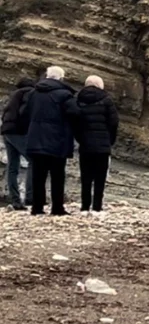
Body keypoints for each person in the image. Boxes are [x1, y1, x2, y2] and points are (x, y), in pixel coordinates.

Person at [21, 66, 80, 216]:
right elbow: (75, 113)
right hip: (57, 140)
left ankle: (37, 208)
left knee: (38, 176)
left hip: (36, 139)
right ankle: (57, 208)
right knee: (57, 175)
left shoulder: (33, 93)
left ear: (47, 76)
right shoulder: (64, 94)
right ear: (61, 78)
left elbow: (24, 113)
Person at [75, 76, 119, 214]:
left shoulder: (78, 99)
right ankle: (97, 207)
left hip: (85, 145)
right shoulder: (106, 99)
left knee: (86, 177)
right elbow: (114, 122)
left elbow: (74, 122)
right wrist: (109, 140)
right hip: (102, 145)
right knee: (100, 177)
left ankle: (84, 206)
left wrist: (80, 139)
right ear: (100, 85)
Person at [1, 77, 35, 210]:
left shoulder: (14, 95)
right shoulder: (29, 93)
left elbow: (5, 113)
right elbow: (25, 113)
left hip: (6, 131)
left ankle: (15, 200)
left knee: (12, 166)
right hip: (18, 131)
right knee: (33, 161)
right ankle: (30, 198)